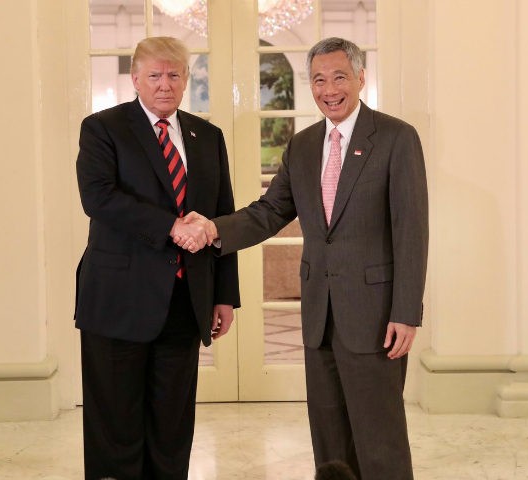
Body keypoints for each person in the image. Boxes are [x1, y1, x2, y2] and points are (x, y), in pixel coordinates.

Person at [179, 37, 428, 479]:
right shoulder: (303, 145)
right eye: (318, 79)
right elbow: (270, 211)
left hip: (375, 314)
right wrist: (214, 229)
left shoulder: (395, 138)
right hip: (319, 312)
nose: (328, 89)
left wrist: (406, 312)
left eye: (339, 77)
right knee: (329, 435)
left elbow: (411, 231)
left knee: (379, 434)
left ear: (360, 79)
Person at [74, 36, 240, 480]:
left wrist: (225, 295)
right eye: (155, 75)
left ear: (186, 79)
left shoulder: (209, 136)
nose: (164, 85)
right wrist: (171, 226)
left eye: (174, 75)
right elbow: (98, 198)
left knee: (172, 424)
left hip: (185, 301)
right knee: (116, 425)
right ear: (135, 79)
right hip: (117, 300)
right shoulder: (102, 128)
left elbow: (222, 217)